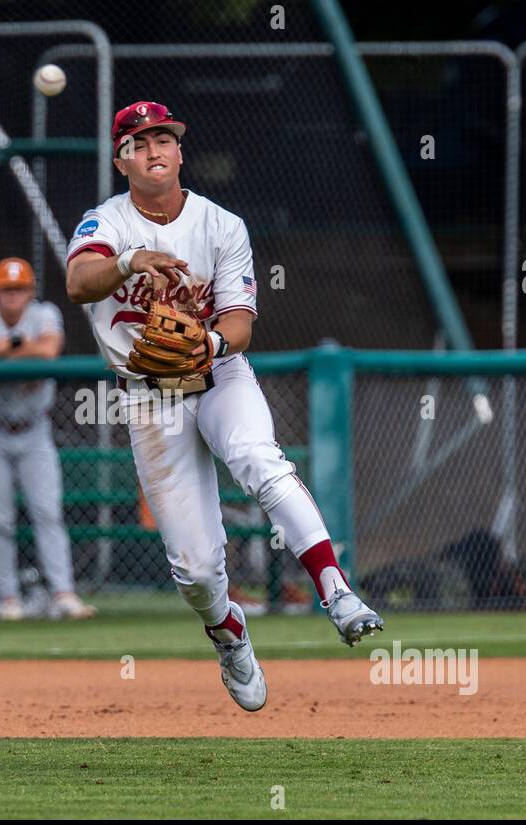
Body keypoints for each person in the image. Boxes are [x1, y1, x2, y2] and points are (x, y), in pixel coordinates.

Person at [64, 101, 384, 711]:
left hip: (218, 372)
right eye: (138, 141)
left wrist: (206, 342)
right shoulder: (104, 223)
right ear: (120, 159)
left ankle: (336, 588)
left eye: (165, 138)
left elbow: (238, 322)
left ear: (181, 153)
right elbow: (79, 283)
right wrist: (131, 260)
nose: (153, 149)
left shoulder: (222, 225)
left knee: (262, 461)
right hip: (150, 395)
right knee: (196, 570)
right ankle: (229, 633)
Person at [0, 257, 96, 621]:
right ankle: (7, 598)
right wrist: (22, 346)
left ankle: (63, 593)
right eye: (6, 289)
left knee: (47, 512)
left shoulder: (45, 312)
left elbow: (49, 349)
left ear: (30, 291)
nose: (12, 296)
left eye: (19, 289)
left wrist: (2, 350)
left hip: (34, 428)